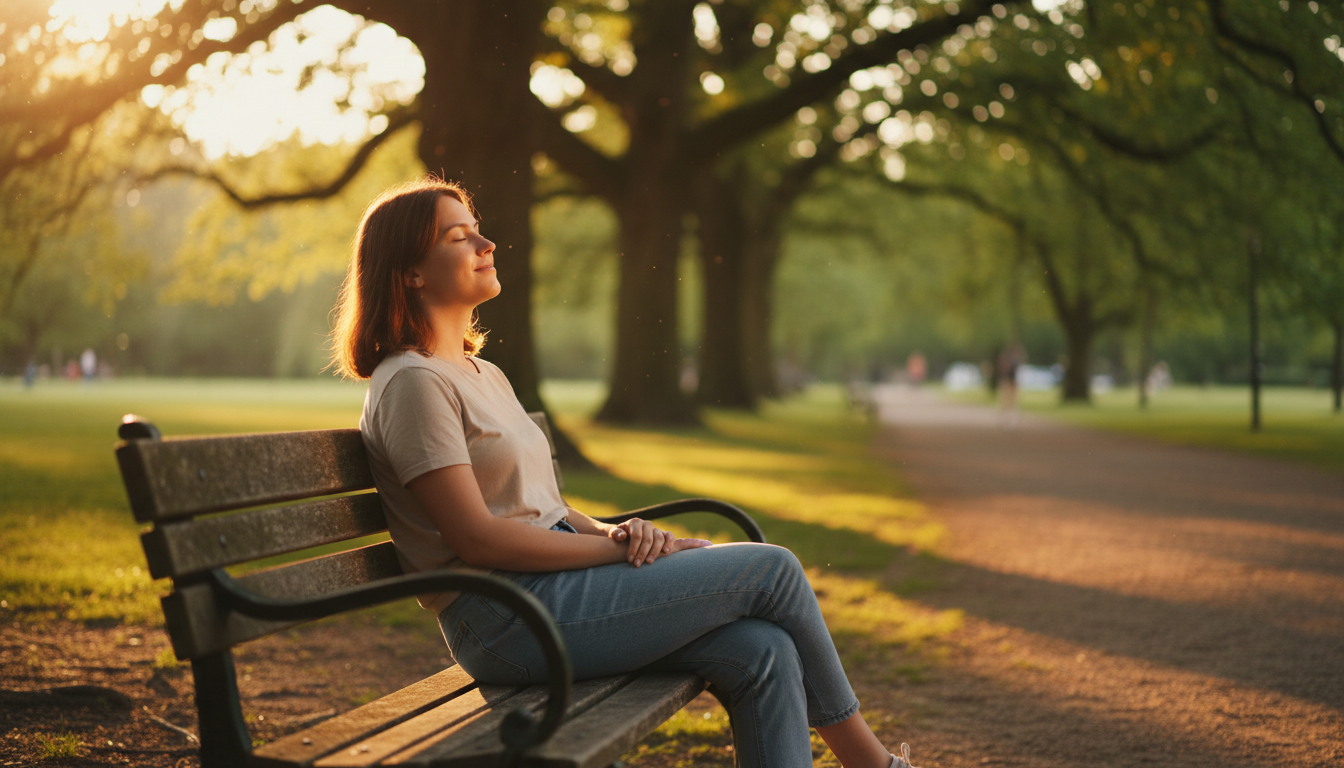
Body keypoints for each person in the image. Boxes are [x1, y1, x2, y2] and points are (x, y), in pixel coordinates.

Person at [332, 178, 920, 768]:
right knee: (773, 571)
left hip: (551, 595)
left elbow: (544, 509)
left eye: (479, 230)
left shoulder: (481, 373)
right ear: (410, 272)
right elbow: (475, 537)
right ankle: (872, 765)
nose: (487, 243)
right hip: (504, 618)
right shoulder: (413, 382)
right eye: (461, 237)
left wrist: (619, 533)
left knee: (760, 648)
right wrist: (618, 557)